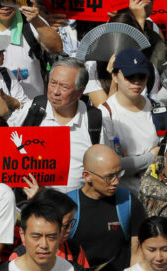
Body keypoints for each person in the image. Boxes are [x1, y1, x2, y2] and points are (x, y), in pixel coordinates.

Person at [8, 58, 112, 192]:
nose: (55, 91)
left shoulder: (94, 121)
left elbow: (104, 168)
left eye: (64, 87)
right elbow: (6, 149)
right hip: (33, 205)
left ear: (80, 92)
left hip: (76, 207)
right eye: (53, 83)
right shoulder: (32, 110)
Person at [69, 144, 147, 271]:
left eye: (119, 174)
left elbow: (137, 252)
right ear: (87, 176)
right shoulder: (68, 206)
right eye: (109, 177)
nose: (116, 182)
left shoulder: (128, 202)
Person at [99, 48, 161, 195]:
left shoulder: (158, 109)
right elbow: (111, 167)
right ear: (114, 76)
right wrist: (151, 157)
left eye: (142, 76)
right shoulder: (105, 113)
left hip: (156, 197)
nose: (136, 82)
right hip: (122, 198)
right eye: (129, 76)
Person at [0, 0, 62, 98]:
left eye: (10, 1)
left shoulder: (32, 21)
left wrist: (36, 21)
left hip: (32, 107)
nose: (5, 7)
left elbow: (56, 47)